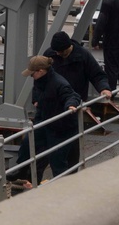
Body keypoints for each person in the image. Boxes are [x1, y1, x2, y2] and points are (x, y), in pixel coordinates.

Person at [14, 56, 81, 184]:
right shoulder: (40, 80)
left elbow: (71, 95)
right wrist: (36, 100)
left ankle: (61, 186)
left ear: (40, 71)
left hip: (61, 128)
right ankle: (21, 169)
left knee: (57, 159)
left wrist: (71, 105)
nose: (31, 76)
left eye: (32, 74)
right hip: (46, 121)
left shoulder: (58, 83)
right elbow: (36, 91)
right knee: (28, 142)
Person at [45, 31, 112, 101]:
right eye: (56, 51)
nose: (58, 54)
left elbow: (97, 75)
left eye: (61, 51)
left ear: (69, 46)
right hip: (54, 100)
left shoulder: (83, 55)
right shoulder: (50, 54)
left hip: (76, 100)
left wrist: (104, 88)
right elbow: (41, 77)